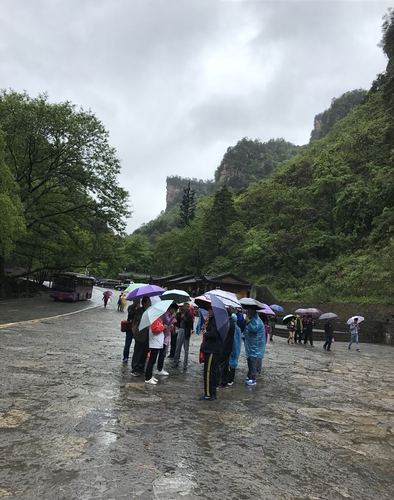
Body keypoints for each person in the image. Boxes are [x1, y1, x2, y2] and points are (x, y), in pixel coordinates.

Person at [199, 307, 222, 400]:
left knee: (209, 372)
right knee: (211, 372)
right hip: (210, 349)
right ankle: (210, 393)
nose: (209, 311)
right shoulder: (212, 320)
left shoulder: (215, 321)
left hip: (212, 350)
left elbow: (214, 334)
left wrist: (205, 333)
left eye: (210, 309)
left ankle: (209, 394)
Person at [243, 307, 265, 386]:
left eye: (249, 311)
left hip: (256, 347)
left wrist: (248, 321)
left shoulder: (257, 321)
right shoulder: (252, 319)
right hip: (251, 346)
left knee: (253, 362)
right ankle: (249, 376)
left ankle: (253, 379)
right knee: (250, 361)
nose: (247, 312)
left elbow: (253, 329)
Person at [130, 297, 151, 376]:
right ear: (144, 303)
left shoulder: (150, 311)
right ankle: (135, 368)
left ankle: (141, 368)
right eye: (148, 302)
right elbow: (138, 319)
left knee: (145, 352)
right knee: (138, 352)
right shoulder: (139, 310)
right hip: (140, 334)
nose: (150, 304)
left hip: (147, 335)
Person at [145, 316, 168, 384]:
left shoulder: (158, 319)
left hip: (157, 343)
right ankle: (148, 378)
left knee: (153, 360)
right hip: (154, 343)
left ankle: (150, 376)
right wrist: (163, 327)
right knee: (151, 361)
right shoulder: (154, 319)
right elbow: (154, 330)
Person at [173, 303, 194, 371]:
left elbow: (190, 324)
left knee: (186, 350)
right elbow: (177, 321)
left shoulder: (190, 314)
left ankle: (185, 365)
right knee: (178, 347)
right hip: (181, 330)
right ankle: (176, 362)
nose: (187, 308)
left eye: (188, 307)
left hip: (186, 332)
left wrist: (183, 318)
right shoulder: (180, 313)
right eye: (186, 306)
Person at [218, 308, 236, 387]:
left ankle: (220, 380)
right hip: (228, 346)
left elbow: (223, 334)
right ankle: (224, 381)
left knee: (221, 364)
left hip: (225, 347)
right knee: (225, 364)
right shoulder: (231, 322)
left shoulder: (228, 323)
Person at [228, 311, 242, 386]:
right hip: (236, 349)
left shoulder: (232, 328)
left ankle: (230, 379)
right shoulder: (238, 329)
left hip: (233, 348)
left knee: (231, 364)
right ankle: (231, 379)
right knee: (233, 364)